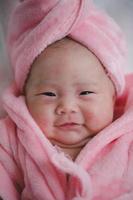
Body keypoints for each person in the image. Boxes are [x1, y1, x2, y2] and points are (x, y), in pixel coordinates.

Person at [0, 0, 133, 199]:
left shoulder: (128, 140)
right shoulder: (10, 139)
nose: (67, 107)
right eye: (49, 94)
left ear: (113, 96)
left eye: (86, 93)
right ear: (25, 96)